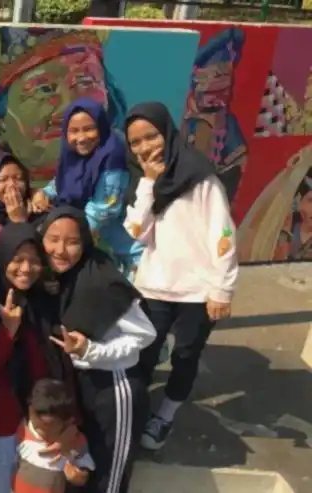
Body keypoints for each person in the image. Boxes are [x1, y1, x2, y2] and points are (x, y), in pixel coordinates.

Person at [123, 102, 238, 451]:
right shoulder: (144, 180)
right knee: (143, 353)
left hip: (197, 291)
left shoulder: (200, 177)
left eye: (151, 137)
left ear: (168, 133)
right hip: (154, 286)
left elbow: (223, 234)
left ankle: (165, 415)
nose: (145, 147)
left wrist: (222, 289)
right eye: (136, 142)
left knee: (185, 356)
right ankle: (134, 411)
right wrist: (149, 183)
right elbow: (136, 231)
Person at [39, 205, 155, 493]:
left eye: (72, 242)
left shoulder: (101, 282)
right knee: (84, 468)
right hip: (84, 388)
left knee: (108, 478)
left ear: (85, 243)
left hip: (114, 391)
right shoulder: (59, 279)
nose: (60, 250)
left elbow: (145, 334)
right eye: (53, 239)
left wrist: (91, 351)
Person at [35, 98, 143, 279]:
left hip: (121, 249)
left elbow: (103, 210)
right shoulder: (72, 156)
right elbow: (62, 182)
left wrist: (69, 236)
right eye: (74, 131)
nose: (82, 138)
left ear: (101, 127)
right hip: (87, 235)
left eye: (88, 129)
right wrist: (44, 193)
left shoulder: (112, 156)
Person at [0, 222, 51, 493]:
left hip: (40, 417)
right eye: (17, 259)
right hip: (3, 419)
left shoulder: (43, 301)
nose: (26, 268)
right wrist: (7, 332)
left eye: (34, 261)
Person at [14, 379, 95, 493]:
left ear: (67, 422)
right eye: (35, 425)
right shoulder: (22, 430)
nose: (37, 431)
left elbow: (84, 467)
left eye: (45, 428)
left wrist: (79, 476)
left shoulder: (74, 442)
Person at [0, 152, 49, 227]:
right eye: (3, 179)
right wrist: (19, 220)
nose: (12, 184)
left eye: (18, 178)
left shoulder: (39, 213)